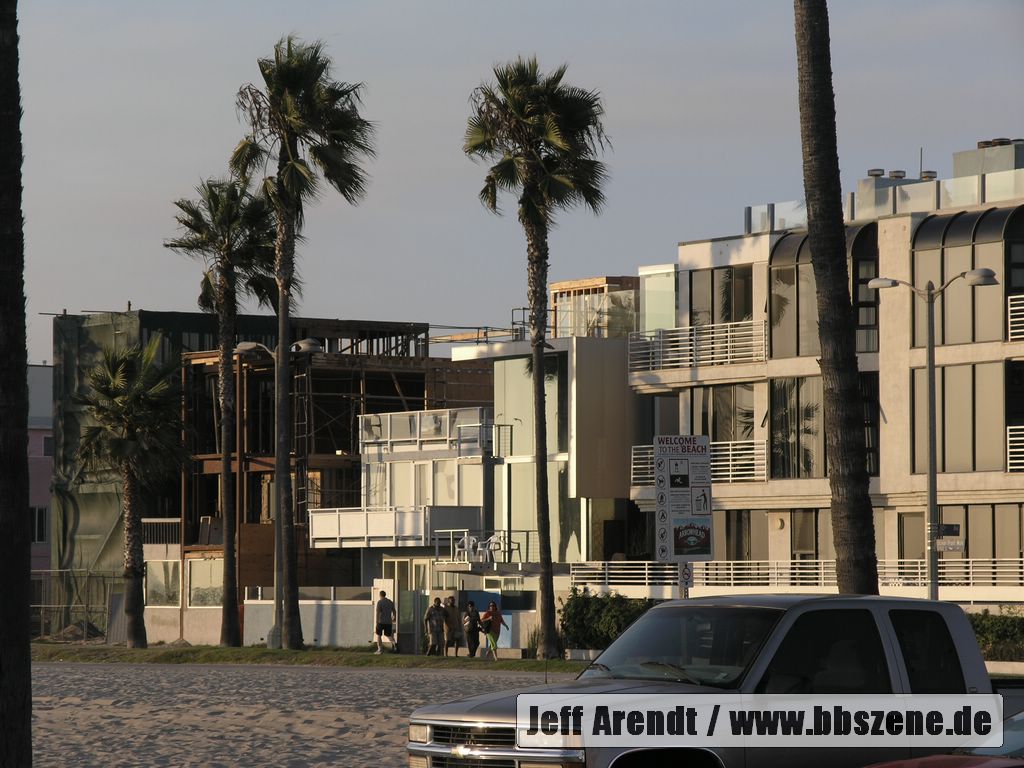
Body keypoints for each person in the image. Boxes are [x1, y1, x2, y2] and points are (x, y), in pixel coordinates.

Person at [374, 590, 397, 654]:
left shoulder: (380, 602)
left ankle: (379, 649)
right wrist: (394, 617)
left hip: (381, 621)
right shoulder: (390, 602)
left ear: (380, 595)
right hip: (388, 621)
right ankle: (394, 644)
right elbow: (394, 611)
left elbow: (378, 612)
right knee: (389, 635)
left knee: (379, 635)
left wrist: (376, 621)